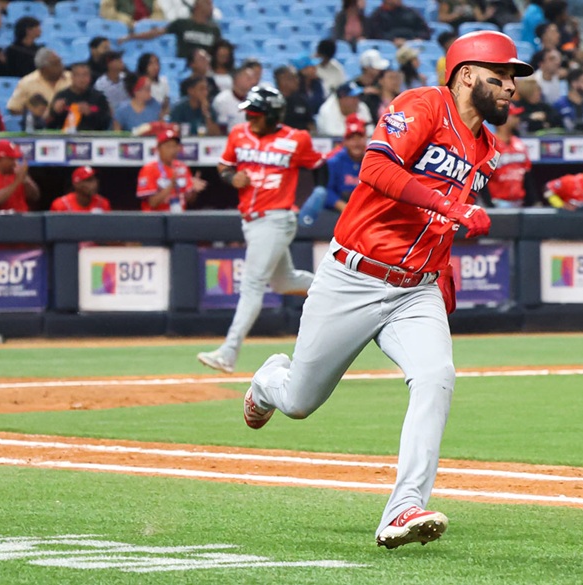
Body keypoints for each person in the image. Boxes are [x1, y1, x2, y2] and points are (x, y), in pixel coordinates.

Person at [233, 31, 532, 550]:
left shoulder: (487, 149)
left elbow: (437, 223)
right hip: (352, 276)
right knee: (300, 401)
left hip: (415, 289)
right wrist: (451, 208)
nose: (511, 86)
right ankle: (266, 382)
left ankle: (403, 507)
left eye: (513, 77)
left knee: (436, 376)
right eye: (501, 74)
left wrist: (444, 273)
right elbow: (375, 168)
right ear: (465, 74)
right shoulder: (422, 105)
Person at [196, 86, 326, 374]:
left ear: (272, 115)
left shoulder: (296, 138)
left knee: (253, 284)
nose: (251, 119)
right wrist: (232, 179)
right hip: (251, 220)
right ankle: (335, 291)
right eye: (249, 113)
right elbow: (224, 167)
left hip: (276, 218)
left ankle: (228, 353)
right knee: (284, 281)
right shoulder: (239, 134)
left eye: (256, 114)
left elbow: (319, 165)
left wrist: (317, 195)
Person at [299, 114, 368, 226]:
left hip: (363, 210)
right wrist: (344, 208)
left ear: (365, 139)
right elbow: (327, 191)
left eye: (359, 138)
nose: (356, 143)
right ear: (344, 141)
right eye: (351, 138)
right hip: (337, 210)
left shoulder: (372, 160)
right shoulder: (333, 161)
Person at [136, 126, 207, 211]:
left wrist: (194, 191)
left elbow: (188, 201)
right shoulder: (149, 169)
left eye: (175, 146)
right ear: (159, 148)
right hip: (155, 220)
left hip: (178, 218)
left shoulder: (182, 167)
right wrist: (171, 185)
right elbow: (152, 203)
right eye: (168, 146)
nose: (172, 150)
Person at [121, 0, 221, 59]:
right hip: (184, 66)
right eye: (208, 3)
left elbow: (219, 52)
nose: (211, 7)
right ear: (198, 5)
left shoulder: (214, 30)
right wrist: (132, 36)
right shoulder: (182, 24)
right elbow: (157, 32)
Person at [488, 105, 534, 208]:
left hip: (519, 202)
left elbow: (526, 175)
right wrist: (489, 205)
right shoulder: (490, 144)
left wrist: (534, 200)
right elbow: (481, 178)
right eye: (514, 116)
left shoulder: (519, 144)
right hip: (497, 203)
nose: (518, 119)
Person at [47, 62, 113, 132]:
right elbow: (50, 125)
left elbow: (106, 123)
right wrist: (55, 112)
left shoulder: (99, 97)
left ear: (90, 77)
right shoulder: (61, 96)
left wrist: (90, 113)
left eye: (85, 75)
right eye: (77, 75)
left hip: (92, 137)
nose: (81, 79)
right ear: (72, 77)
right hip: (65, 138)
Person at [5, 48, 71, 116]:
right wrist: (33, 115)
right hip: (39, 124)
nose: (61, 66)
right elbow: (13, 108)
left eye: (60, 62)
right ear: (43, 69)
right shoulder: (26, 83)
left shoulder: (71, 78)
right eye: (55, 64)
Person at [213, 64, 257, 132]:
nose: (253, 82)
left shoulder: (255, 99)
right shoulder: (222, 100)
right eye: (248, 78)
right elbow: (221, 128)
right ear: (237, 79)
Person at [273, 64, 314, 132]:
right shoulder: (272, 101)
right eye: (293, 77)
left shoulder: (302, 101)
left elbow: (311, 125)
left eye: (297, 77)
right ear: (282, 80)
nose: (297, 81)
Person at [365, 0, 431, 42]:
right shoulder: (377, 16)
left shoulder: (411, 12)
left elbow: (425, 31)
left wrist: (418, 38)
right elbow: (376, 35)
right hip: (389, 48)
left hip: (412, 46)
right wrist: (392, 40)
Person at [94, 50, 128, 114]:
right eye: (117, 59)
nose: (121, 61)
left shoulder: (127, 78)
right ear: (109, 64)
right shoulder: (100, 84)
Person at [100, 0, 164, 28]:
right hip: (126, 27)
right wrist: (129, 22)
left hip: (148, 28)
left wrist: (151, 23)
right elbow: (107, 11)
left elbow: (158, 12)